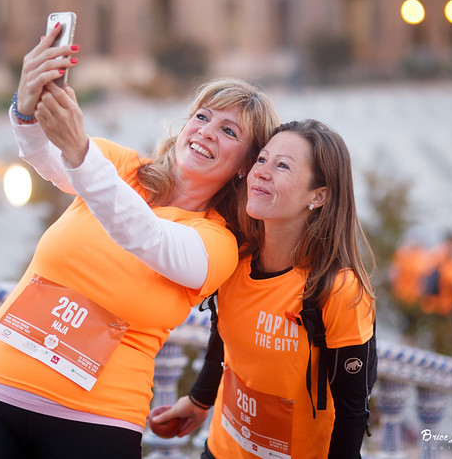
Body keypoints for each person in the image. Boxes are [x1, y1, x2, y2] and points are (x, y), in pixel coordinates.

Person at [0, 21, 280, 458]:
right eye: (203, 116)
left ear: (245, 167)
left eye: (230, 131)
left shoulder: (218, 244)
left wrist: (81, 154)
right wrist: (26, 108)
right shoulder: (121, 167)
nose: (208, 130)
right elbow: (47, 156)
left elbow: (146, 235)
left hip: (95, 422)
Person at [149, 119, 377, 459]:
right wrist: (199, 400)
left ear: (318, 196)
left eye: (282, 165)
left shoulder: (337, 290)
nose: (262, 172)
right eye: (262, 160)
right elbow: (223, 340)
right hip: (219, 450)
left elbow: (352, 412)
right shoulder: (233, 259)